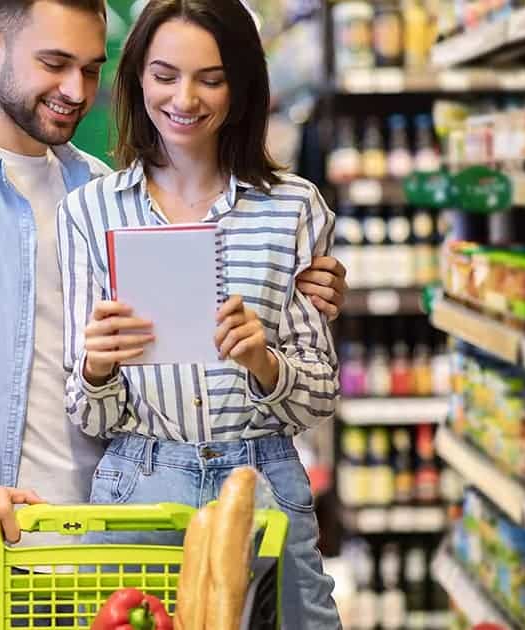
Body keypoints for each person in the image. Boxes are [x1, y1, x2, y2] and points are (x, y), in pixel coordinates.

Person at [0, 0, 348, 626]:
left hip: (107, 534)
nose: (74, 91)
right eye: (54, 63)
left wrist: (299, 295)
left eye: (91, 69)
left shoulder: (95, 190)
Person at [57, 0, 341, 627]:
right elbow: (91, 414)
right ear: (135, 79)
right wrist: (99, 368)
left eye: (210, 78)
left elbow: (319, 398)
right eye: (164, 75)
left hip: (262, 481)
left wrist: (263, 362)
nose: (185, 98)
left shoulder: (293, 208)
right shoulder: (91, 213)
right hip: (140, 482)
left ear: (241, 86)